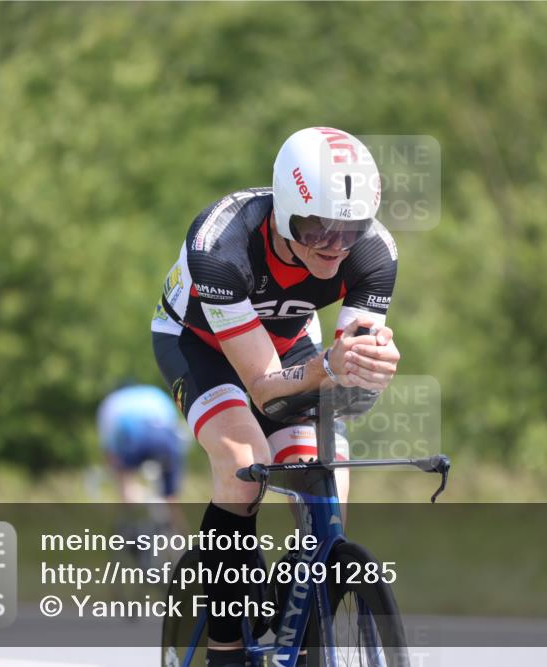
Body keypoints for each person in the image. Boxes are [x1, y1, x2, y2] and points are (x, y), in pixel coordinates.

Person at [151, 127, 400, 666]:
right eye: (317, 230)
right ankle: (226, 646)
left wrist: (370, 369)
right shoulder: (221, 246)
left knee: (324, 470)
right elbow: (263, 389)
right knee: (244, 463)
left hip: (290, 344)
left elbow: (346, 376)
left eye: (350, 231)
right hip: (200, 345)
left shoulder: (375, 254)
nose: (334, 247)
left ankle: (297, 606)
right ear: (286, 212)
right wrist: (330, 368)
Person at [97, 381, 190, 506]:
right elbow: (173, 430)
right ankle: (174, 518)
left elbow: (109, 447)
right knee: (170, 494)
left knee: (125, 480)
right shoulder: (155, 393)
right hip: (164, 441)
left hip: (134, 440)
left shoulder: (112, 401)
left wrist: (117, 470)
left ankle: (130, 509)